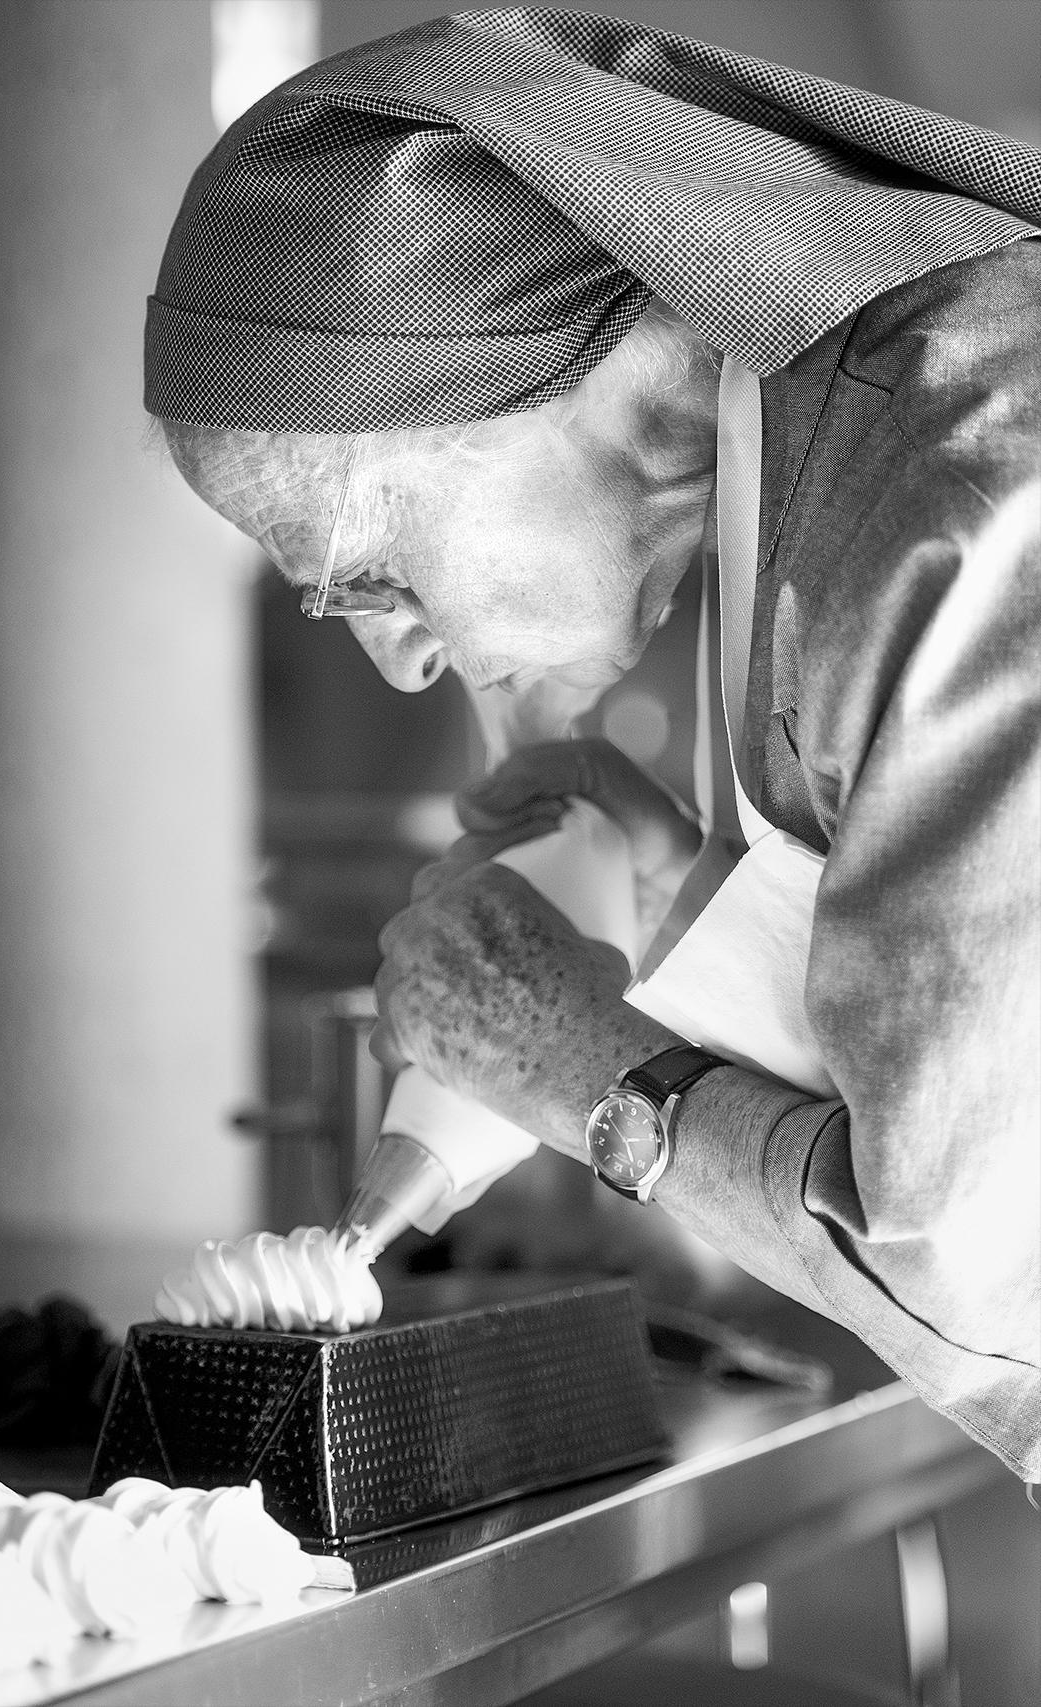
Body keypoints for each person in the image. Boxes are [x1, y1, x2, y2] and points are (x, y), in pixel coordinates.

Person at [144, 10, 1039, 1481]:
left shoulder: (967, 481)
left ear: (565, 378)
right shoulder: (816, 459)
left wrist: (579, 1066)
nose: (398, 650)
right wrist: (678, 894)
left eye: (362, 572)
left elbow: (989, 1287)